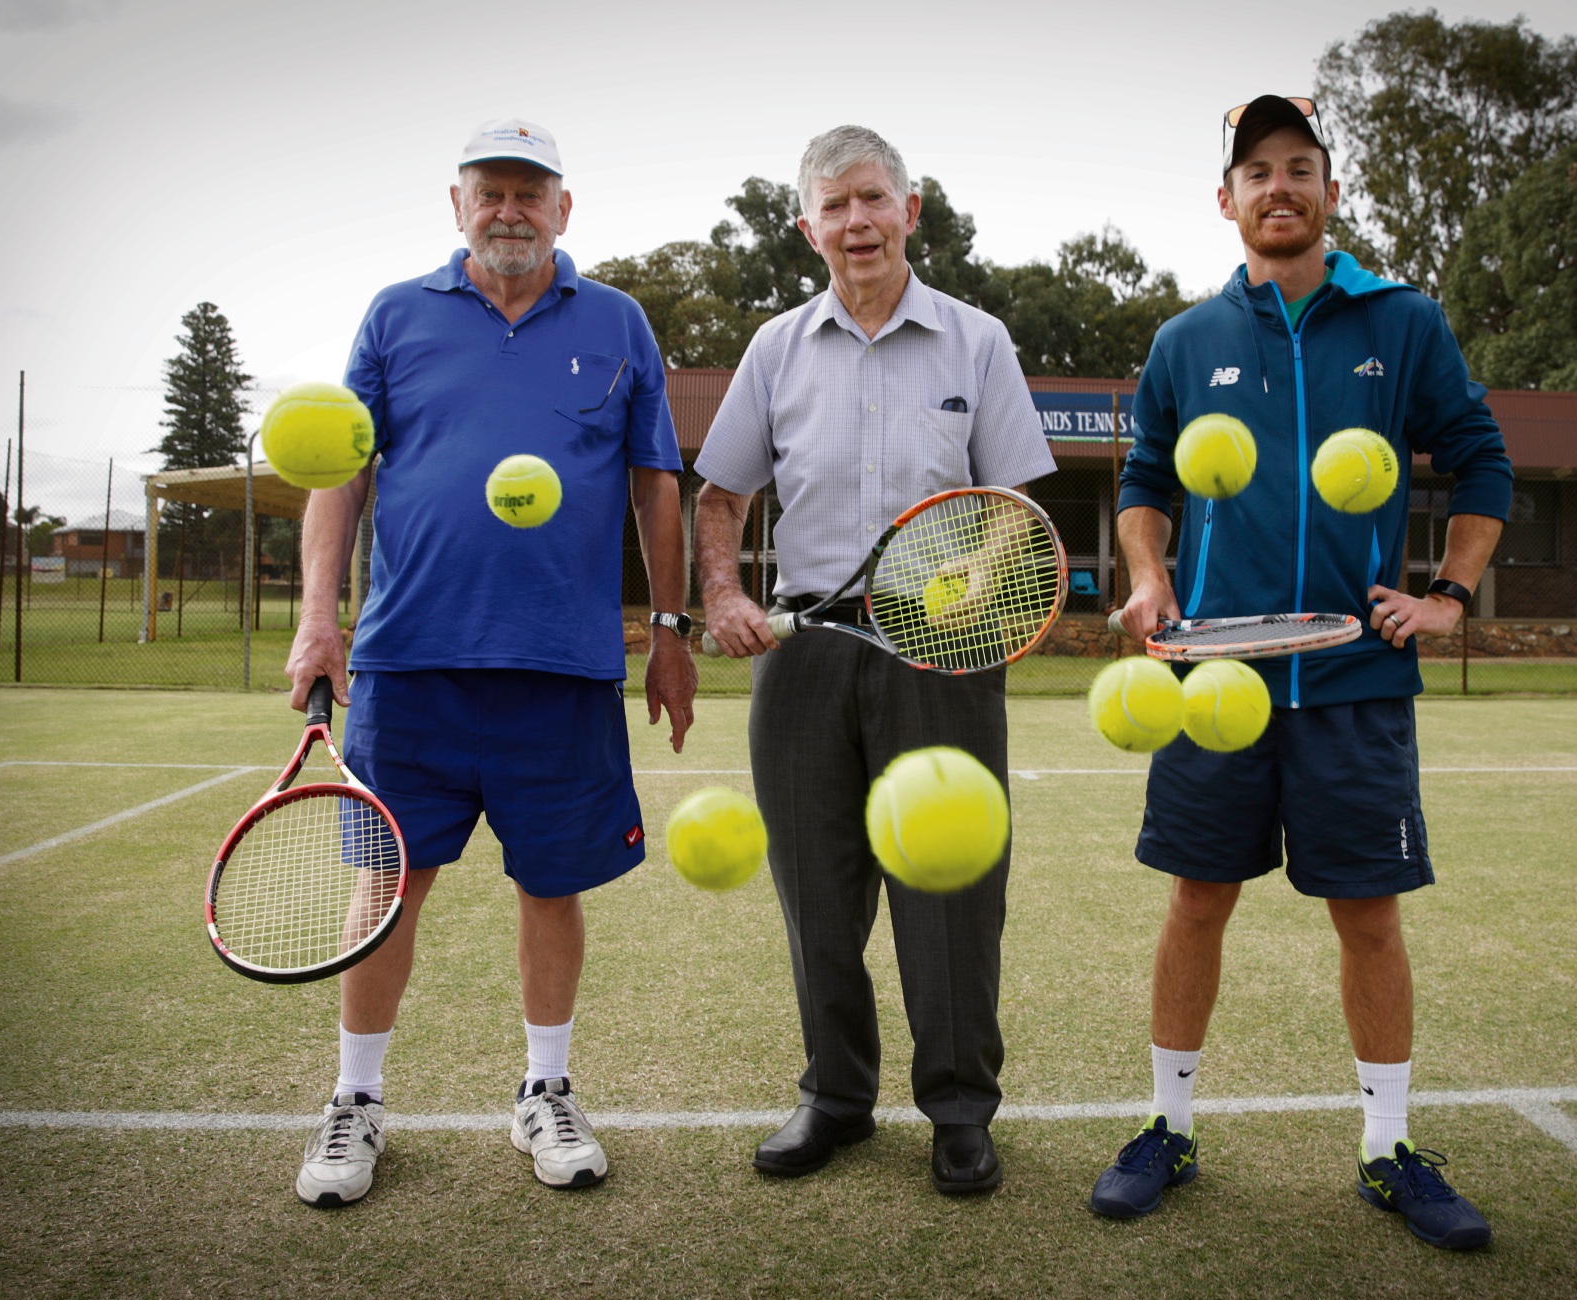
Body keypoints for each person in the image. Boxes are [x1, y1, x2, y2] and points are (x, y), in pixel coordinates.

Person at [1087, 96, 1513, 1249]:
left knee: (1366, 919)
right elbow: (1142, 482)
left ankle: (1387, 1147)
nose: (1277, 188)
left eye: (1298, 169)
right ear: (1223, 200)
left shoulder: (1401, 321)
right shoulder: (1184, 341)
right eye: (1255, 172)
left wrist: (1445, 597)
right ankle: (1167, 1127)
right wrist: (1146, 576)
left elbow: (1480, 462)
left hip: (1352, 679)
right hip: (1211, 683)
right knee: (1194, 902)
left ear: (1328, 190)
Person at [283, 118, 696, 1208]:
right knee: (387, 884)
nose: (509, 209)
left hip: (560, 670)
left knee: (551, 885)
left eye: (530, 191)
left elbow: (658, 483)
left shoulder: (616, 322)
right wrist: (317, 618)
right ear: (455, 205)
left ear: (565, 208)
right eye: (489, 192)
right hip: (410, 664)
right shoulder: (394, 315)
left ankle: (545, 1089)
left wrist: (668, 629)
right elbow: (339, 474)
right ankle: (355, 1102)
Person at [692, 125, 1056, 1194]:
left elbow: (1013, 507)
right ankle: (835, 1098)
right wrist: (722, 591)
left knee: (950, 892)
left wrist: (977, 581)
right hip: (802, 651)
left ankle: (957, 1108)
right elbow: (721, 495)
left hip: (939, 652)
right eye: (832, 207)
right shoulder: (773, 346)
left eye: (871, 200)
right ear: (807, 228)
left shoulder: (976, 340)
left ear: (909, 210)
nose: (854, 223)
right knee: (817, 890)